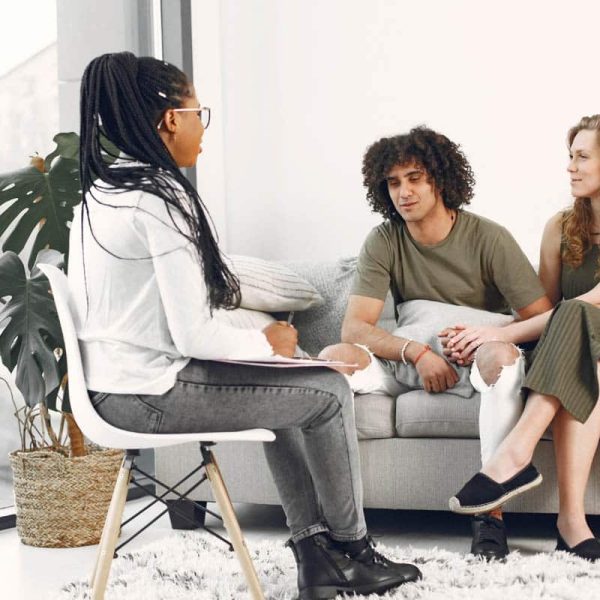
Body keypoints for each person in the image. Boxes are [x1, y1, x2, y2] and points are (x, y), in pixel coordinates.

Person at [70, 52, 421, 599]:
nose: (202, 127)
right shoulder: (160, 200)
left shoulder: (101, 193)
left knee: (292, 387)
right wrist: (266, 340)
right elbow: (192, 335)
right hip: (152, 393)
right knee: (328, 391)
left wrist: (271, 353)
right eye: (198, 113)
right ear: (171, 120)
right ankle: (352, 551)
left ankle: (316, 555)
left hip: (111, 393)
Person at [319, 127, 552, 560]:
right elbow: (355, 329)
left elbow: (542, 320)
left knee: (501, 358)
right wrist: (418, 352)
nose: (403, 192)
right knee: (333, 359)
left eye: (415, 178)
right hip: (410, 359)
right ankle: (332, 518)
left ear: (440, 181)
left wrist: (482, 335)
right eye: (393, 182)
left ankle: (490, 515)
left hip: (474, 361)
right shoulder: (384, 239)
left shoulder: (489, 238)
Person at [449, 115, 600, 560]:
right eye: (570, 156)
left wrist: (497, 331)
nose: (570, 167)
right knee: (583, 353)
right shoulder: (560, 227)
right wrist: (493, 335)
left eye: (582, 157)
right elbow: (546, 311)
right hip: (582, 349)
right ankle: (571, 525)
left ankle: (515, 455)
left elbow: (589, 302)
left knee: (578, 315)